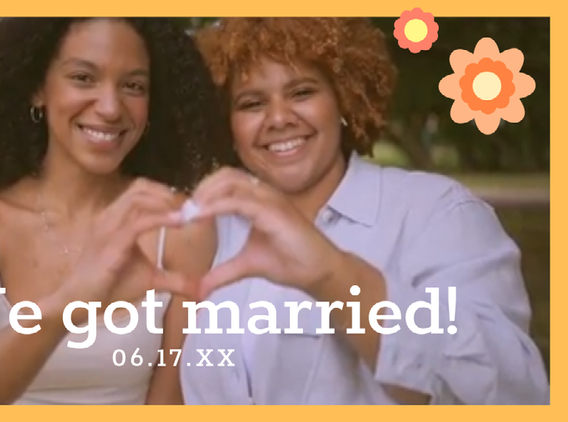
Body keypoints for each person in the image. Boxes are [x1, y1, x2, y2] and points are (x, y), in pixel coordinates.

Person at [177, 17, 550, 405]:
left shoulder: (437, 214)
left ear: (344, 98)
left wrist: (335, 276)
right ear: (228, 127)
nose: (278, 118)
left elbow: (513, 394)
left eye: (302, 92)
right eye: (252, 103)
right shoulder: (208, 230)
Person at [0, 17, 230, 405]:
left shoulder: (179, 225)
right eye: (83, 78)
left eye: (133, 85)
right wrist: (72, 301)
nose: (111, 107)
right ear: (36, 89)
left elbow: (169, 402)